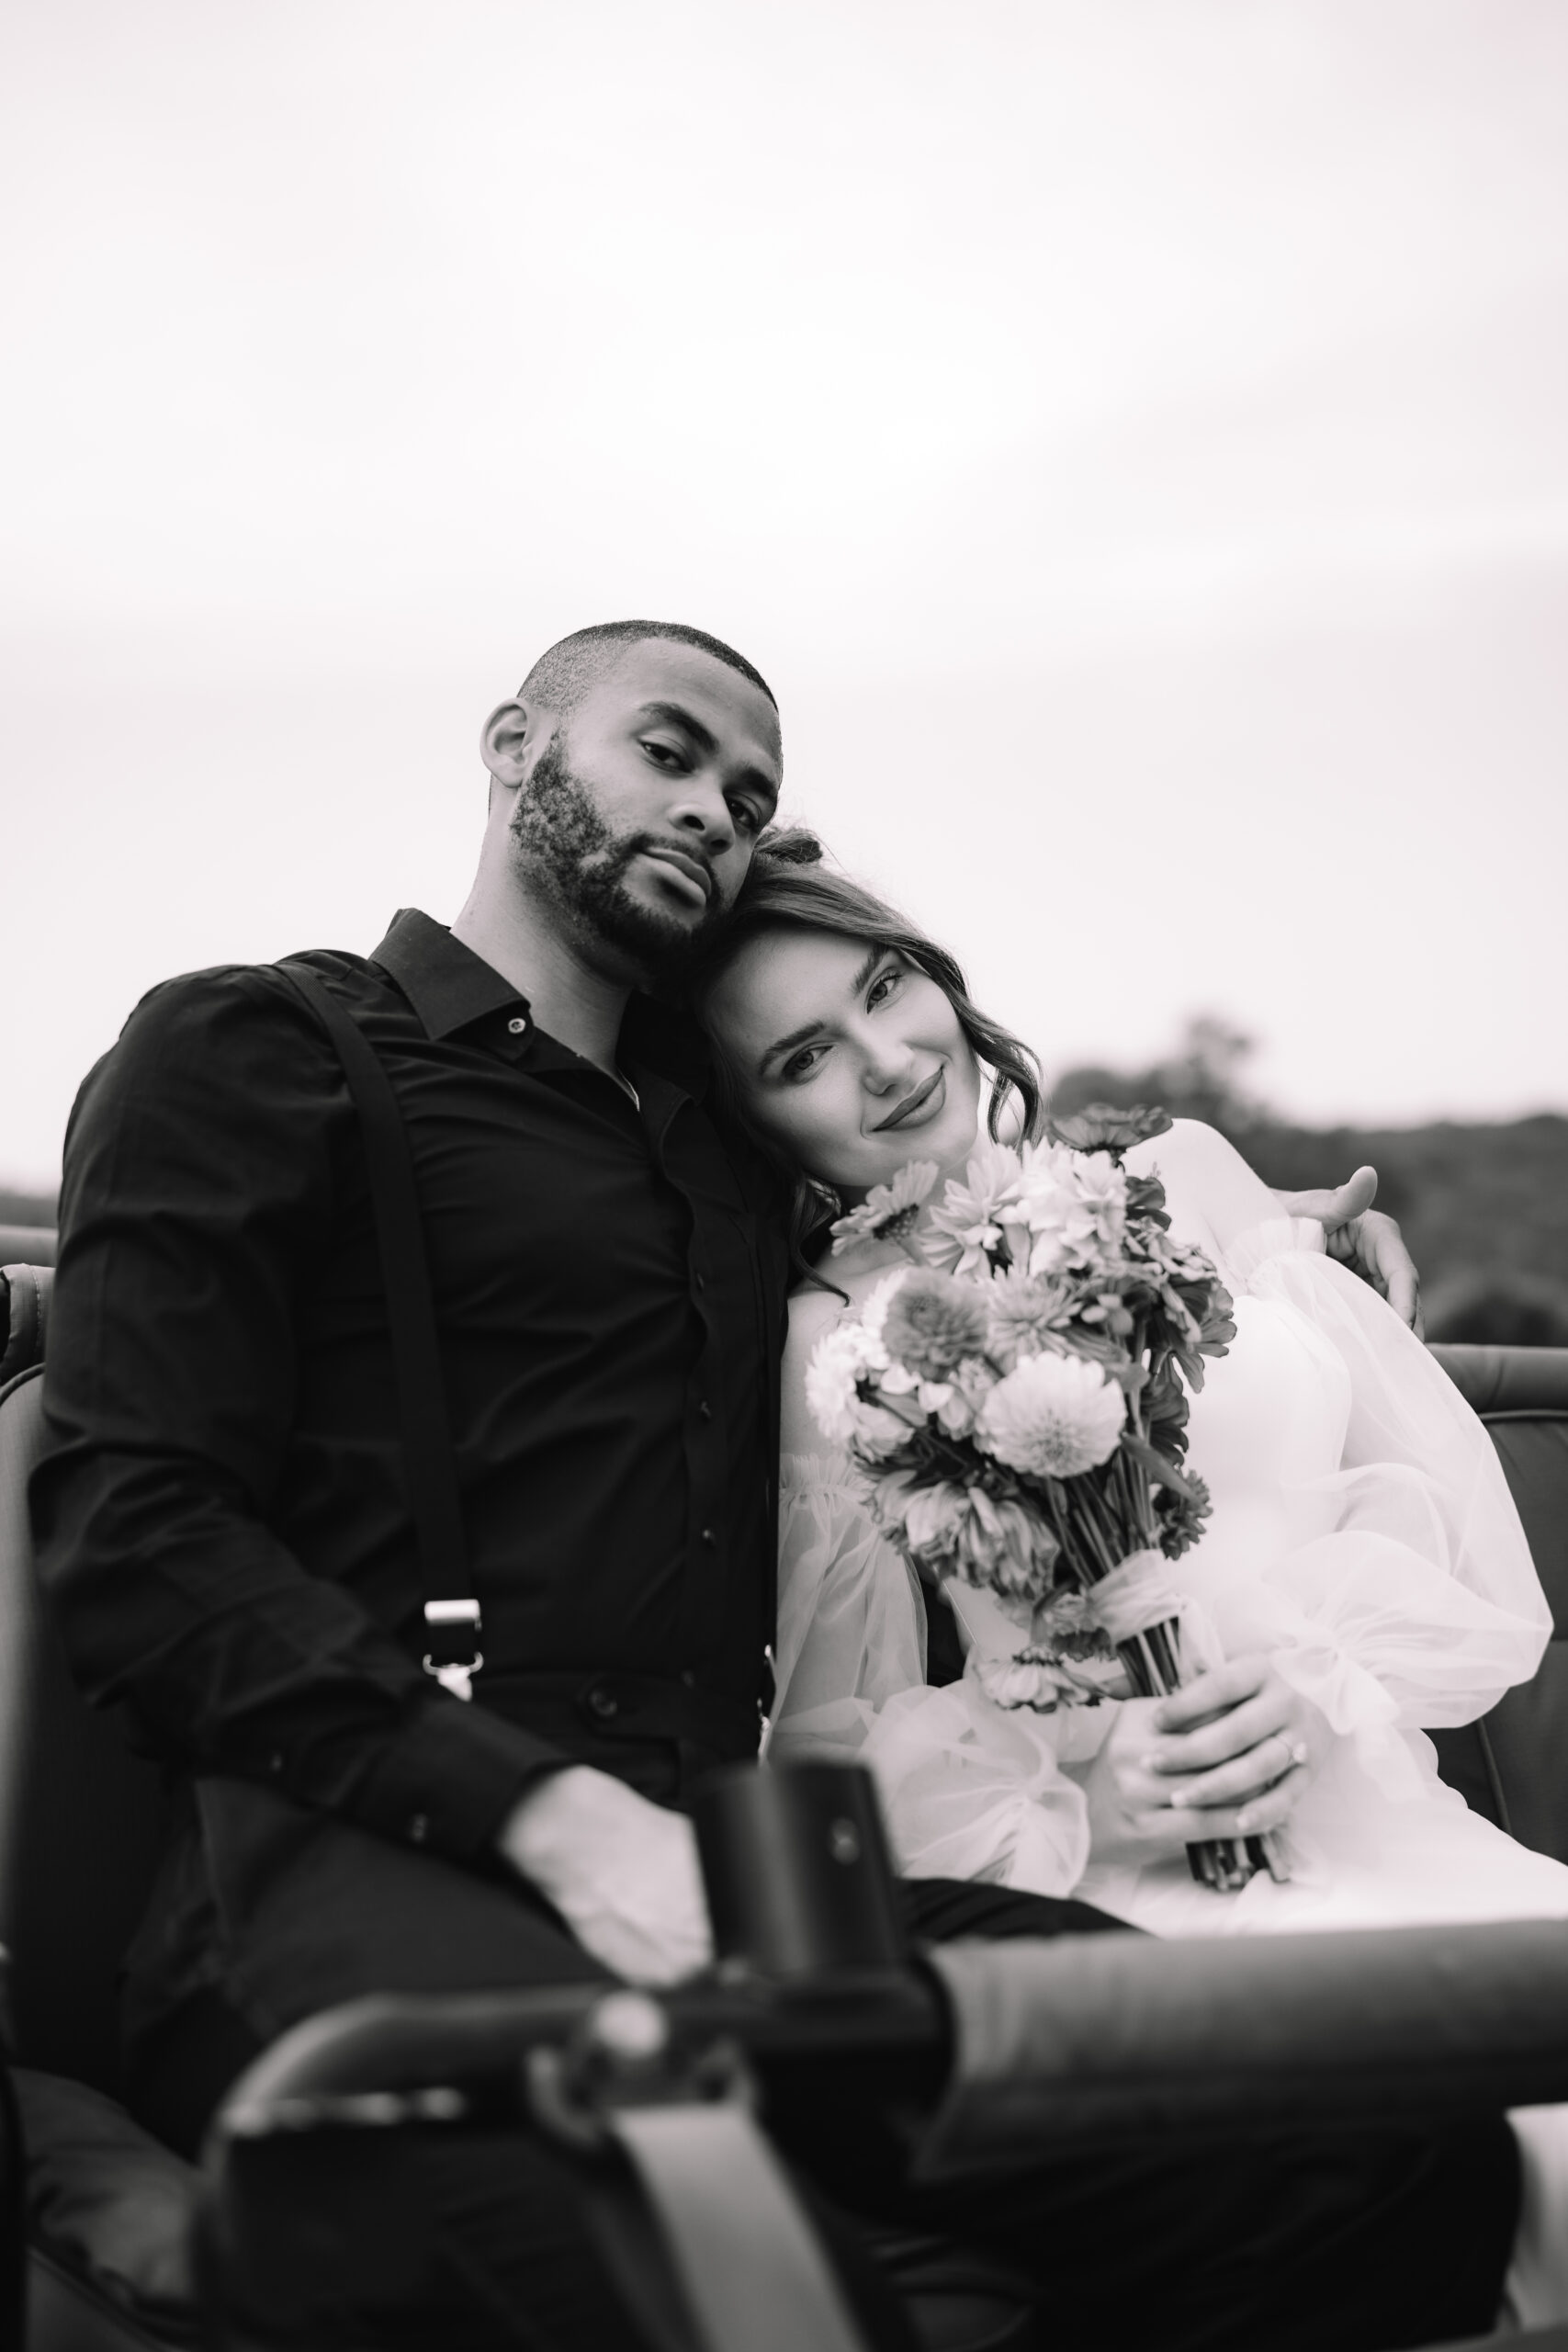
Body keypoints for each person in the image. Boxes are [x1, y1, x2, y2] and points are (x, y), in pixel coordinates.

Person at [31, 621, 1512, 2351]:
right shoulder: (253, 1049)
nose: (715, 810)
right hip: (358, 1858)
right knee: (711, 2279)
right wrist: (554, 1824)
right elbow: (135, 1538)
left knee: (1389, 2154)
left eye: (751, 795)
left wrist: (1262, 1242)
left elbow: (943, 1169)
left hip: (751, 1871)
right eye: (667, 753)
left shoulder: (722, 1147)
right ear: (515, 749)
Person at [689, 831, 1568, 2327]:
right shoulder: (835, 1349)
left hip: (1395, 1811)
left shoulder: (1188, 1179)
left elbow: (1391, 1498)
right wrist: (1097, 1787)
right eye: (801, 1058)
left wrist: (1327, 1290)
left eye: (887, 986)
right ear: (762, 1128)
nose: (884, 1059)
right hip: (1158, 1883)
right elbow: (837, 1748)